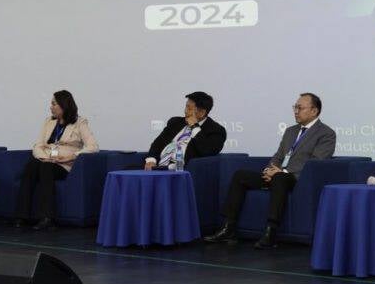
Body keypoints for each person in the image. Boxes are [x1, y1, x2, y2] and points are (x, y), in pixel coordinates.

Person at [205, 93, 336, 249]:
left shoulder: (326, 133)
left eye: (300, 108)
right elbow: (279, 156)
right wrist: (269, 170)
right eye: (295, 107)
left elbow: (316, 162)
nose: (296, 111)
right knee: (241, 175)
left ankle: (271, 232)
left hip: (299, 179)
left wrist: (282, 172)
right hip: (278, 175)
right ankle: (228, 227)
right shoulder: (291, 131)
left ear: (314, 111)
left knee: (280, 178)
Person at [15, 90, 98, 230]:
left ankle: (47, 218)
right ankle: (21, 216)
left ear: (64, 105)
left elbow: (93, 147)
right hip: (47, 159)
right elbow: (38, 145)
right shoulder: (48, 122)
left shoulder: (80, 123)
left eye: (54, 104)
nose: (51, 107)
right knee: (32, 165)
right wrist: (45, 157)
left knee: (45, 168)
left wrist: (72, 156)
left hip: (65, 164)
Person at [144, 91, 226, 170]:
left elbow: (207, 151)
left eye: (189, 108)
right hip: (158, 168)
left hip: (184, 171)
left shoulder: (216, 130)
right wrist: (151, 160)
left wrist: (194, 127)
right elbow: (157, 143)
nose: (185, 111)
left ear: (202, 112)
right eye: (186, 106)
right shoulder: (175, 122)